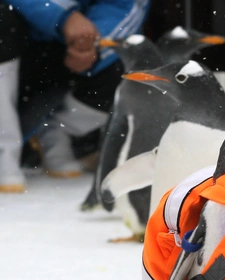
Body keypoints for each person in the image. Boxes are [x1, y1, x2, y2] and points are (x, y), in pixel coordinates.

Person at [0, 0, 150, 193]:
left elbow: (124, 5)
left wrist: (90, 42)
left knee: (129, 66)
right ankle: (5, 150)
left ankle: (55, 132)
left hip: (72, 53)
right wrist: (63, 16)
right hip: (20, 42)